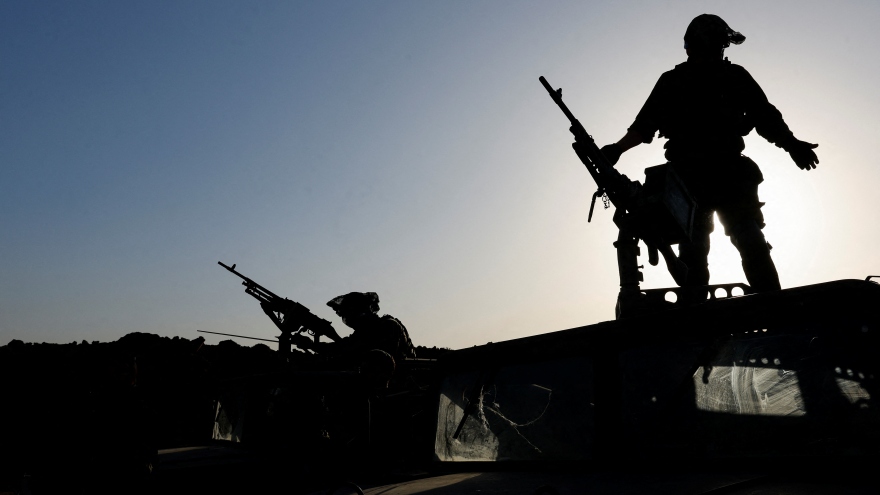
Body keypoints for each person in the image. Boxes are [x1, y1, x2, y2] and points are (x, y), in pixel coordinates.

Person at [599, 14, 819, 293]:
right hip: (689, 179)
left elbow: (765, 117)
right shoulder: (673, 81)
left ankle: (772, 305)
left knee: (749, 239)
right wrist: (617, 149)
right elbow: (645, 126)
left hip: (729, 174)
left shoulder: (733, 77)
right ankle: (696, 311)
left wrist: (792, 144)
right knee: (695, 251)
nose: (713, 50)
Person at [289, 292, 416, 385]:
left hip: (394, 384)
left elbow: (351, 352)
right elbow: (344, 346)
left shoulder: (387, 326)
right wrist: (312, 346)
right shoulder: (368, 330)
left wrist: (315, 350)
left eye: (350, 314)